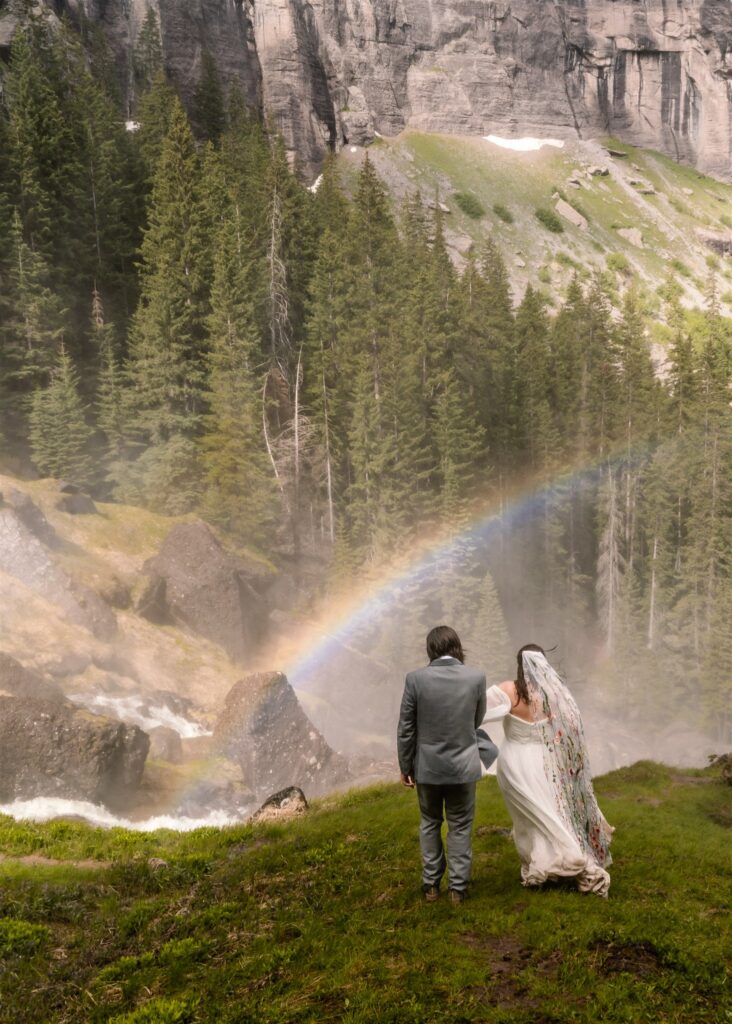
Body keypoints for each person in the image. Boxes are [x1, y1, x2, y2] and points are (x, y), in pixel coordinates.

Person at [481, 644, 613, 897]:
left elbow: (476, 712)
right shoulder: (554, 694)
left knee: (529, 817)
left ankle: (554, 861)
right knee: (549, 811)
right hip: (545, 762)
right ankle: (556, 861)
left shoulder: (509, 690)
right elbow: (566, 732)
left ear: (520, 664)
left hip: (514, 762)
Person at [397, 625, 489, 904]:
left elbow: (406, 728)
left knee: (429, 823)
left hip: (427, 767)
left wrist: (406, 766)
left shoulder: (415, 679)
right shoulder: (476, 678)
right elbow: (477, 719)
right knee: (460, 825)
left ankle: (431, 885)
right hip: (463, 766)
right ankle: (458, 889)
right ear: (457, 647)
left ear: (431, 650)